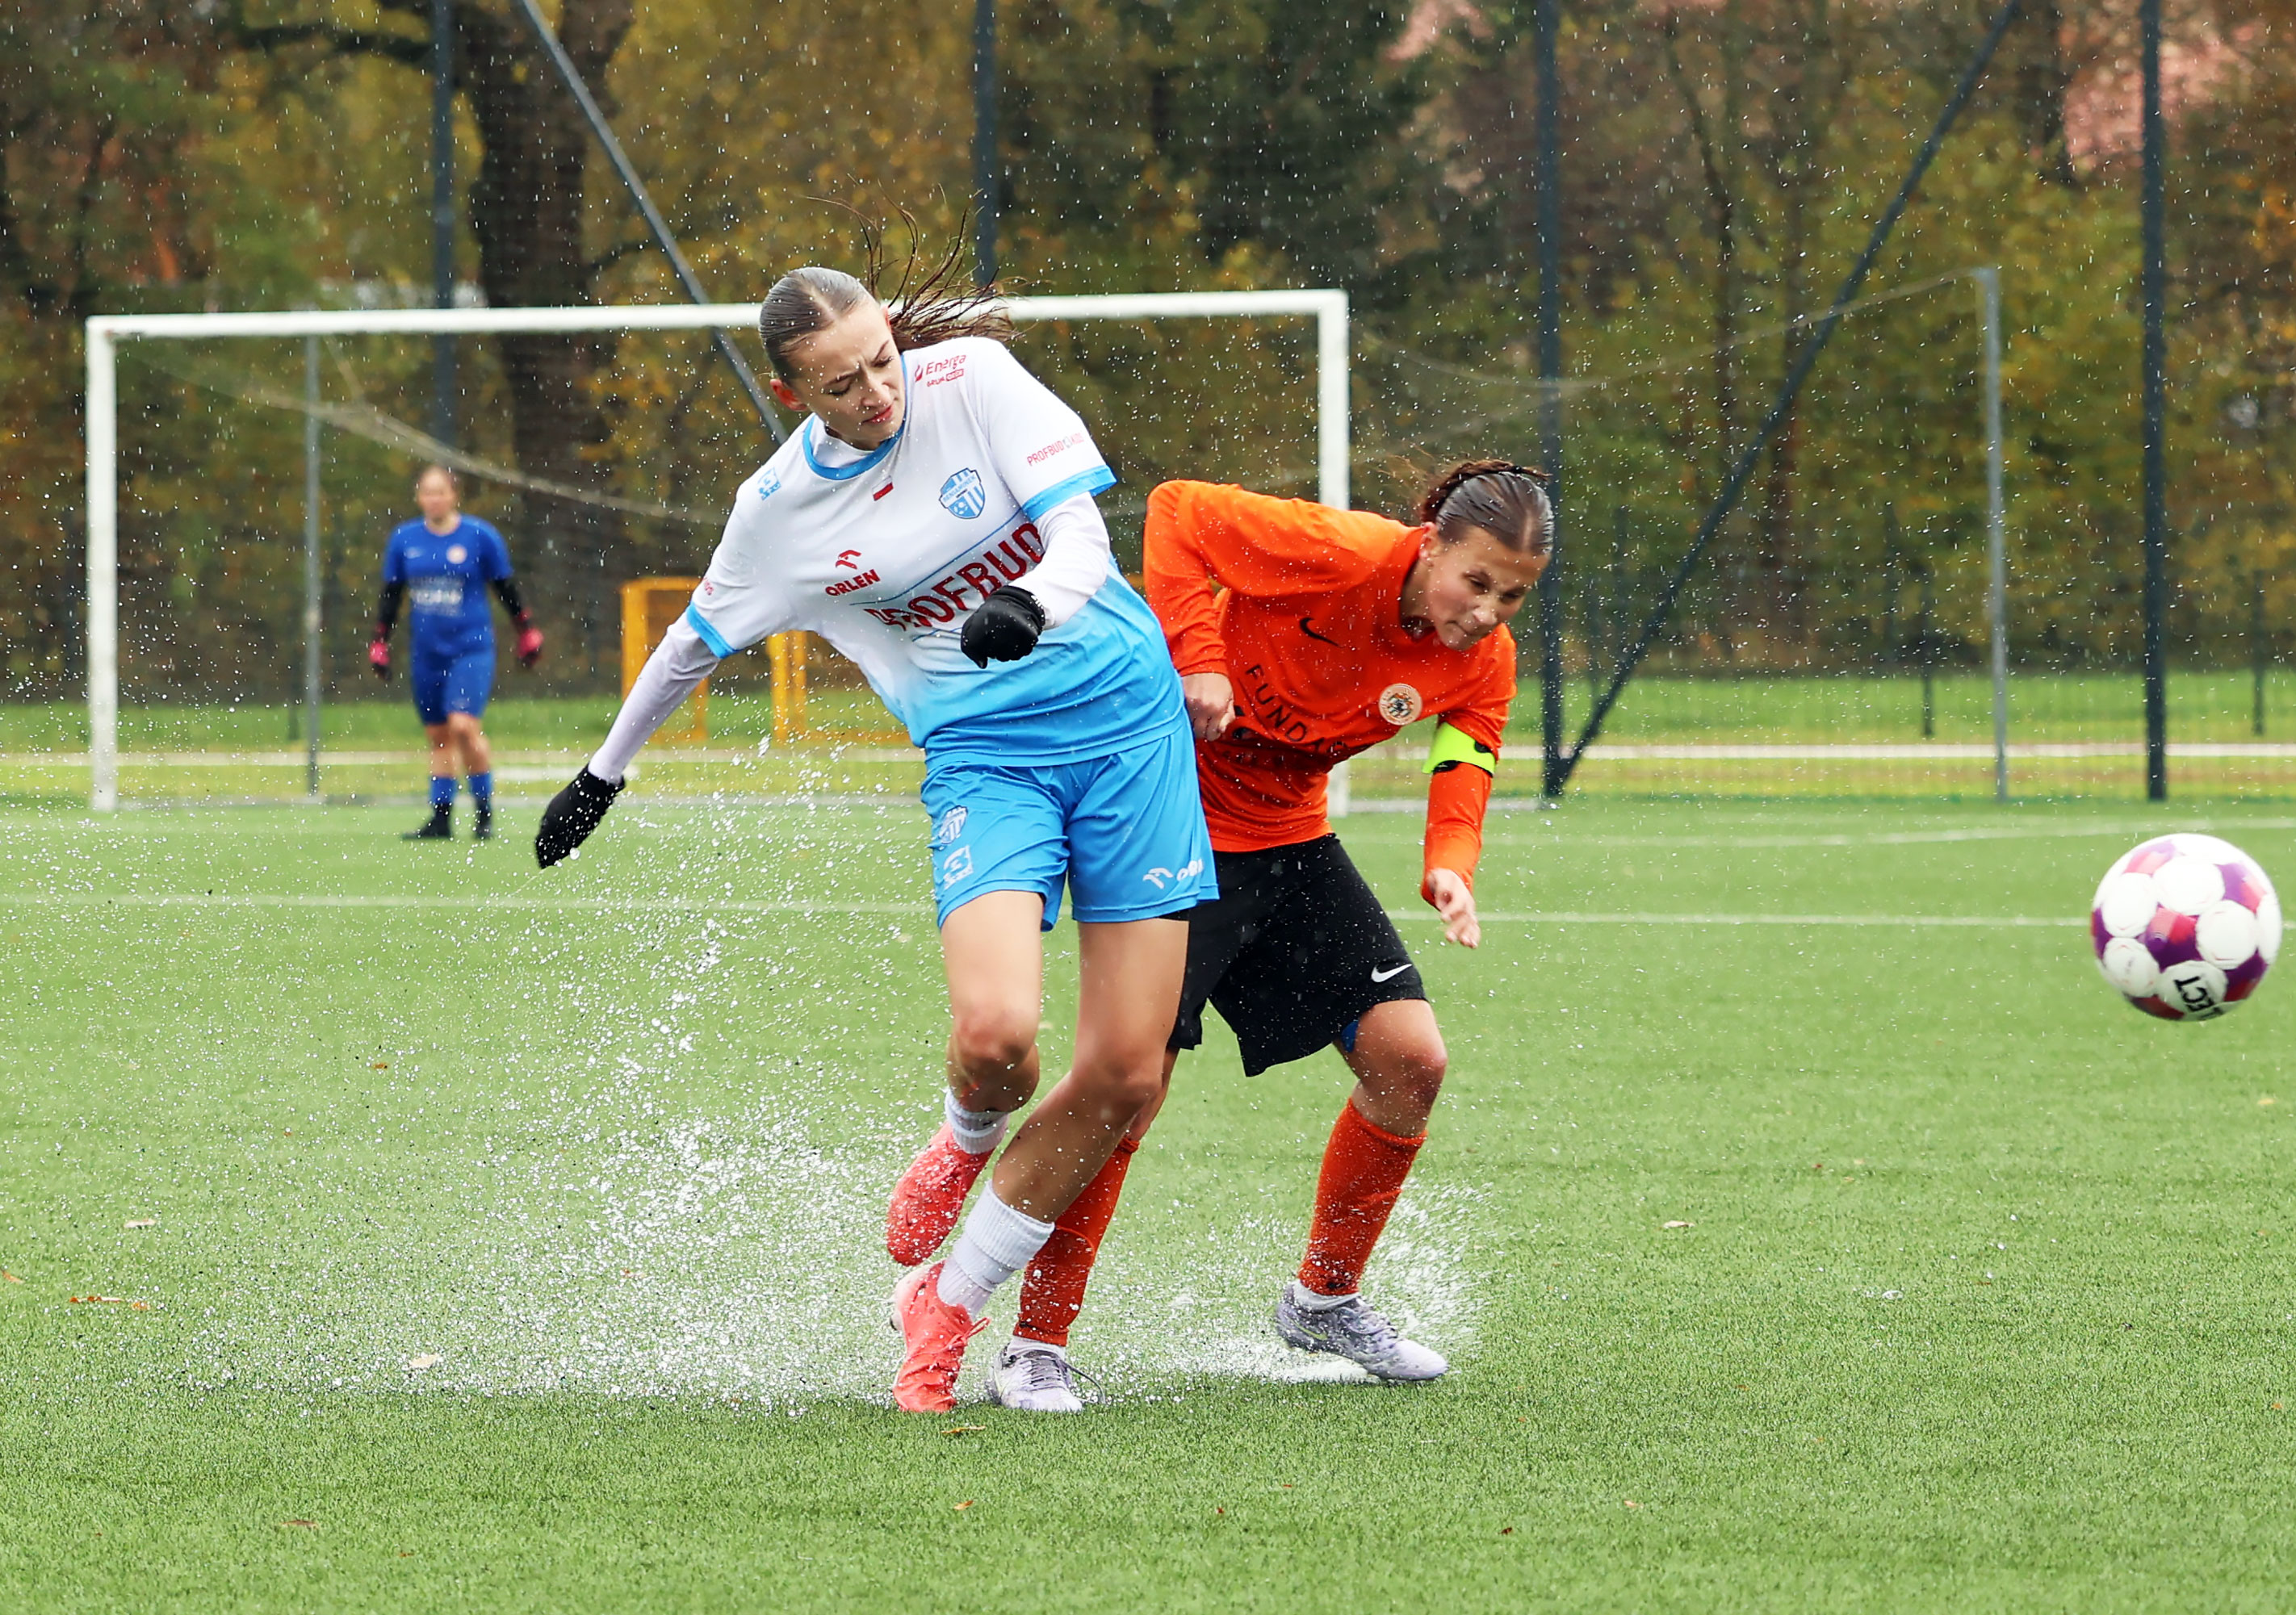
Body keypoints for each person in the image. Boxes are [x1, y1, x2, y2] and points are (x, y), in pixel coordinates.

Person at [530, 263, 1214, 1415]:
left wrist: (1027, 607)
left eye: (882, 362)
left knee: (1127, 1071)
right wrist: (603, 774)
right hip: (988, 764)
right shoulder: (778, 513)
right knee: (999, 1033)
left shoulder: (975, 380)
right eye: (842, 385)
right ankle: (961, 1140)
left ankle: (946, 1300)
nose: (878, 394)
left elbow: (1086, 543)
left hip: (1130, 734)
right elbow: (694, 645)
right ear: (795, 391)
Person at [886, 462, 1550, 1396]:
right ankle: (1035, 1342)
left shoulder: (1483, 655)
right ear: (1430, 541)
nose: (1486, 612)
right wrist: (1195, 655)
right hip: (1172, 822)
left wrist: (1451, 860)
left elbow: (1469, 745)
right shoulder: (1339, 550)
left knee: (1413, 1060)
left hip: (1290, 839)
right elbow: (1176, 513)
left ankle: (1322, 1303)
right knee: (1133, 1084)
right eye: (1474, 582)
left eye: (1512, 597)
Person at [372, 466, 543, 840]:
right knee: (438, 736)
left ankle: (483, 813)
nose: (434, 499)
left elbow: (505, 587)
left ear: (454, 496)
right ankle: (441, 818)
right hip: (426, 652)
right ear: (418, 497)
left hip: (470, 648)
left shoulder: (480, 537)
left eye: (441, 492)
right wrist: (380, 642)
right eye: (426, 492)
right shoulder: (404, 540)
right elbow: (391, 595)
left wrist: (526, 631)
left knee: (463, 727)